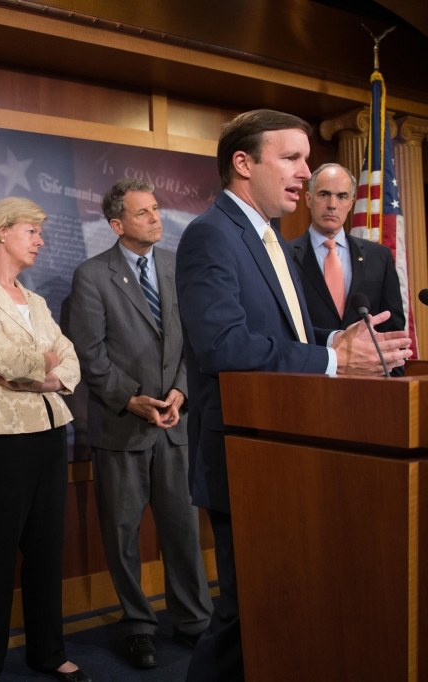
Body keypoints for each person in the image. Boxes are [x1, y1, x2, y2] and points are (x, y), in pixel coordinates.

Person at [174, 109, 411, 681]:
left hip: (287, 451)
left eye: (306, 159)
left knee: (276, 609)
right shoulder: (212, 234)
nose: (306, 173)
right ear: (243, 163)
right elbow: (224, 346)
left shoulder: (270, 237)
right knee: (242, 613)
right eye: (292, 158)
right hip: (245, 452)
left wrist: (338, 339)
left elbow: (283, 340)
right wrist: (334, 360)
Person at [68, 179, 213, 669]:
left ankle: (193, 621)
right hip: (121, 428)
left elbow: (195, 340)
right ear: (117, 224)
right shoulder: (92, 275)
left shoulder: (175, 266)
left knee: (183, 531)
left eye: (156, 209)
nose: (156, 218)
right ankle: (137, 624)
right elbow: (90, 354)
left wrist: (181, 392)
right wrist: (131, 399)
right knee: (123, 533)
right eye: (143, 212)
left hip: (174, 424)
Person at [0, 197, 87, 682]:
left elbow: (68, 360)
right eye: (31, 231)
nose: (40, 240)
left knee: (47, 550)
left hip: (51, 434)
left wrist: (47, 375)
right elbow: (9, 362)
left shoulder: (36, 302)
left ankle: (48, 653)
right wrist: (43, 363)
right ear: (2, 232)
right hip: (3, 442)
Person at [289, 162, 405, 376]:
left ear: (351, 203)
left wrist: (393, 385)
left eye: (341, 196)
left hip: (369, 385)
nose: (332, 204)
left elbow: (393, 330)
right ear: (308, 199)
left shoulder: (379, 257)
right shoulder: (284, 255)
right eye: (324, 194)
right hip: (308, 382)